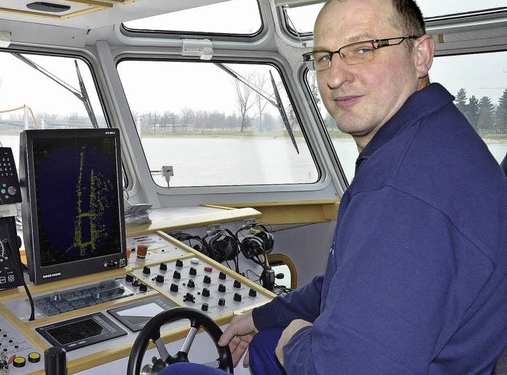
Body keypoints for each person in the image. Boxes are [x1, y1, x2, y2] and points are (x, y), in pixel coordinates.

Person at [158, 0, 507, 374]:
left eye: (363, 49)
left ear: (420, 54)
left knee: (181, 371)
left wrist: (295, 340)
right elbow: (354, 280)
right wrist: (268, 315)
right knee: (262, 342)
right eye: (324, 57)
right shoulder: (433, 139)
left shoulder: (403, 194)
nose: (335, 77)